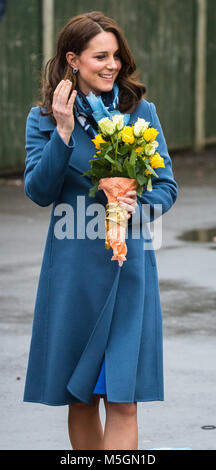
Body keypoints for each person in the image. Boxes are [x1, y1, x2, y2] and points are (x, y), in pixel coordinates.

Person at [23, 11, 178, 450]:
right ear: (73, 59)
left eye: (116, 56)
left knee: (124, 401)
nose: (111, 65)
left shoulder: (140, 112)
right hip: (74, 275)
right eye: (100, 56)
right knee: (84, 398)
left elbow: (166, 186)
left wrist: (137, 207)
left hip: (129, 271)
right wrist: (64, 133)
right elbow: (38, 190)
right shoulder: (45, 118)